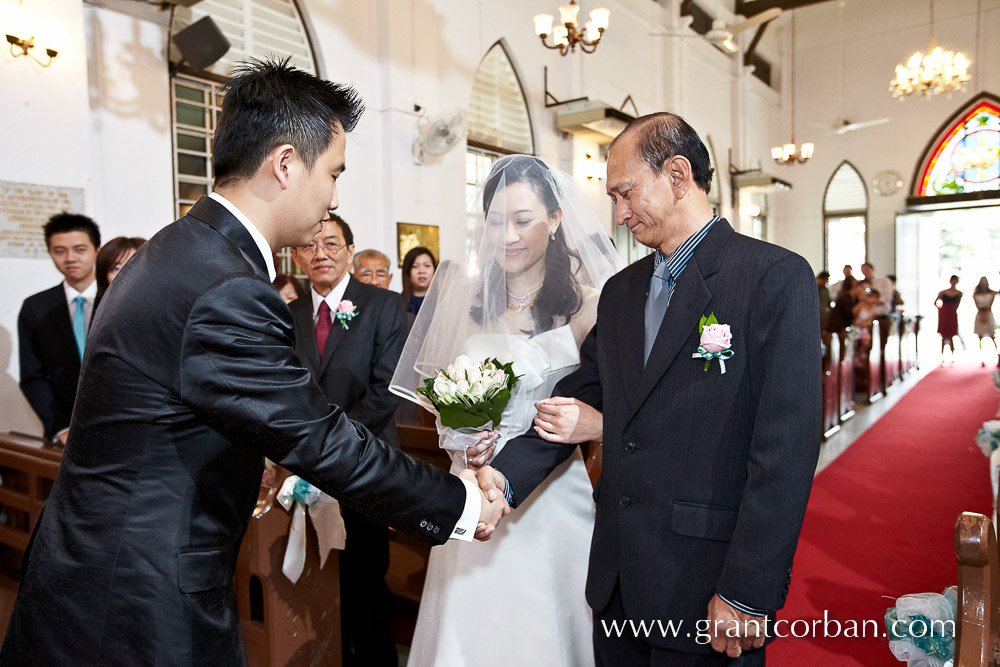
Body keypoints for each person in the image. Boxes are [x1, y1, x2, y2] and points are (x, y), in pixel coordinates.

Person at [0, 59, 508, 667]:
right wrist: (460, 502)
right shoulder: (225, 286)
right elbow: (319, 436)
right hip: (138, 596)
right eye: (333, 172)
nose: (334, 197)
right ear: (287, 163)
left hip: (97, 570)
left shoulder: (180, 248)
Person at [480, 113, 821, 666]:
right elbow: (580, 395)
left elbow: (786, 449)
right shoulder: (620, 292)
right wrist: (502, 475)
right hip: (616, 579)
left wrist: (746, 591)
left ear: (678, 175)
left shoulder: (772, 278)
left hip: (706, 580)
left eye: (625, 192)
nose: (618, 213)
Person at [390, 155, 622, 667]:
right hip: (472, 488)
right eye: (495, 221)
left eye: (522, 220)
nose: (506, 236)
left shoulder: (589, 305)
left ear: (556, 219)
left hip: (552, 498)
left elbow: (607, 401)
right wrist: (459, 438)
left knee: (545, 629)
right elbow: (443, 400)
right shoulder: (465, 299)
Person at [289, 215, 405, 666]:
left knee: (365, 577)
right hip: (303, 465)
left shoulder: (383, 305)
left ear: (350, 252)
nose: (321, 253)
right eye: (310, 246)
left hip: (365, 463)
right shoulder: (290, 312)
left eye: (332, 244)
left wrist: (326, 444)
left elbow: (386, 390)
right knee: (315, 580)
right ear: (297, 254)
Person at [17, 212, 101, 445]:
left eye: (79, 249)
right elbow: (33, 376)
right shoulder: (36, 307)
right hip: (65, 431)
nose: (70, 258)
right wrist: (60, 427)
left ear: (97, 249)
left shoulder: (119, 298)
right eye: (59, 251)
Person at [401, 245, 437, 319]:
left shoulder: (442, 303)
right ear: (407, 271)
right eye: (415, 266)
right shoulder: (398, 303)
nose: (421, 271)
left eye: (427, 265)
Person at [935, 275, 962, 365]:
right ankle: (942, 357)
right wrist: (941, 309)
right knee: (944, 336)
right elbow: (935, 302)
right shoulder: (943, 292)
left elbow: (958, 305)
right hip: (944, 314)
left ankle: (953, 356)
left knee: (951, 336)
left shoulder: (959, 293)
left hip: (952, 314)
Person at [973, 276, 997, 367]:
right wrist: (982, 314)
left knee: (992, 336)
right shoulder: (975, 294)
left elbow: (989, 305)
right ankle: (982, 359)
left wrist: (985, 314)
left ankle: (997, 357)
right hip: (979, 315)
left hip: (988, 314)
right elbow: (977, 305)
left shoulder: (991, 293)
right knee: (980, 337)